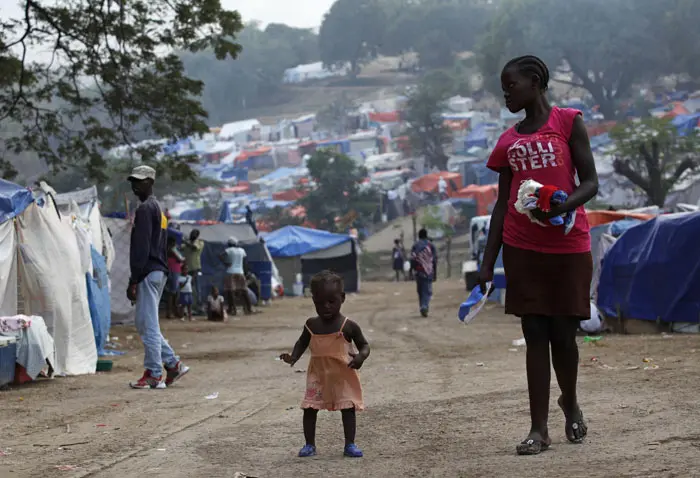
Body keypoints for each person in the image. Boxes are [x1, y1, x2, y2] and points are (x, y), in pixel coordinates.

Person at [479, 55, 598, 455]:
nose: (506, 94)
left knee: (564, 335)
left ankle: (571, 402)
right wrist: (487, 260)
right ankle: (539, 429)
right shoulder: (508, 142)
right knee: (534, 334)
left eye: (511, 86)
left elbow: (591, 182)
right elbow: (501, 205)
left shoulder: (568, 122)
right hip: (522, 246)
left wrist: (562, 207)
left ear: (535, 81)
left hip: (567, 244)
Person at [279, 270, 370, 458]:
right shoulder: (311, 325)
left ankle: (350, 444)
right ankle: (309, 444)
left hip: (342, 375)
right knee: (310, 408)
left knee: (347, 409)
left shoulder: (348, 326)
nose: (326, 307)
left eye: (331, 301)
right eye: (320, 303)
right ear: (313, 301)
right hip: (318, 376)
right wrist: (293, 357)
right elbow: (301, 342)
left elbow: (364, 345)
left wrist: (360, 357)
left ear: (342, 298)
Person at [125, 165, 189, 389]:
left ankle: (153, 373)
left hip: (148, 271)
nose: (135, 185)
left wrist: (134, 278)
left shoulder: (145, 210)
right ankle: (172, 364)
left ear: (150, 182)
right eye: (133, 181)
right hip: (158, 271)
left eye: (140, 181)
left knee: (148, 325)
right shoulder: (158, 210)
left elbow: (142, 248)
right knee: (145, 323)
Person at [220, 238, 251, 315]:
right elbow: (244, 262)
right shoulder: (242, 250)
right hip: (240, 272)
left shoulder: (229, 250)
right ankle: (249, 308)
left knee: (230, 291)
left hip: (230, 272)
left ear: (229, 244)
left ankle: (232, 309)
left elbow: (220, 255)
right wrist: (246, 272)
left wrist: (225, 263)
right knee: (244, 290)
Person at [411, 228, 437, 317]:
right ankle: (424, 306)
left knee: (420, 290)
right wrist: (435, 273)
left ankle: (422, 306)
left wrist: (412, 270)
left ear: (419, 236)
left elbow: (413, 259)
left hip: (418, 271)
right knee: (427, 290)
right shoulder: (431, 246)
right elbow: (434, 260)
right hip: (428, 272)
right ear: (426, 235)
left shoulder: (415, 245)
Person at [183, 229, 205, 314]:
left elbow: (194, 247)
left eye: (195, 234)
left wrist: (185, 241)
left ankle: (199, 307)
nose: (193, 235)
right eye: (192, 233)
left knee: (197, 288)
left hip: (196, 268)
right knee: (188, 289)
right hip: (187, 269)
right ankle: (189, 307)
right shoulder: (186, 243)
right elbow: (180, 247)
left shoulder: (200, 242)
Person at [166, 237, 184, 319]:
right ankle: (171, 312)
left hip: (171, 270)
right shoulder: (172, 250)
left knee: (173, 292)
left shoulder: (166, 249)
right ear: (172, 243)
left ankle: (173, 311)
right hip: (174, 270)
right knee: (173, 292)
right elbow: (180, 259)